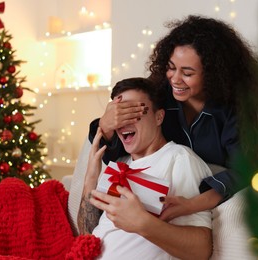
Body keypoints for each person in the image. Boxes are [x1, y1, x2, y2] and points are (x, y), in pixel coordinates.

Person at [88, 15, 258, 221]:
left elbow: (246, 169)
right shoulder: (159, 93)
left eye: (187, 73)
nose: (175, 79)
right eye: (170, 67)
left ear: (213, 74)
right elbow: (124, 143)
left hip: (200, 200)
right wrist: (106, 125)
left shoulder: (236, 109)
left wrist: (192, 204)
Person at [78, 77, 213, 259]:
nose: (123, 122)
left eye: (133, 111)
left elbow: (201, 250)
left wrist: (144, 224)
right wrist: (90, 179)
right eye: (119, 113)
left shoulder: (179, 159)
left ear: (159, 117)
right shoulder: (121, 164)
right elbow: (87, 236)